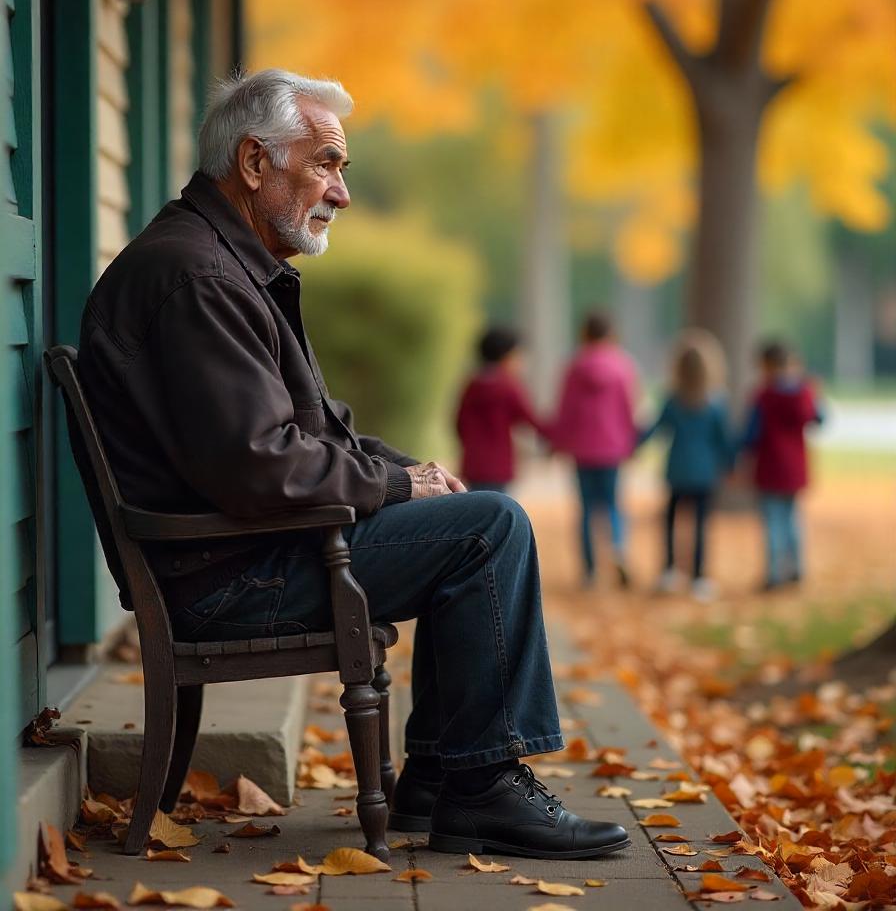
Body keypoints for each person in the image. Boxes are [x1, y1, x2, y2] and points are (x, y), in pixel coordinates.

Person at [77, 69, 628, 861]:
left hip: (241, 553)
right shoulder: (197, 276)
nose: (341, 191)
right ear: (256, 162)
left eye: (342, 170)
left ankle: (441, 780)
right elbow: (259, 468)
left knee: (468, 517)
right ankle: (480, 789)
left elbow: (314, 435)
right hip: (228, 579)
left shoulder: (225, 264)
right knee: (489, 529)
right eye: (327, 164)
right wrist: (399, 486)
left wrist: (414, 473)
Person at [639, 330, 731, 602]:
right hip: (704, 473)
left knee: (670, 521)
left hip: (677, 471)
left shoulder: (672, 400)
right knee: (700, 525)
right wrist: (731, 463)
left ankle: (669, 570)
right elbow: (723, 441)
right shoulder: (716, 403)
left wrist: (631, 442)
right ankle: (699, 576)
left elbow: (655, 430)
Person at [551, 312, 638, 586]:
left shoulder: (574, 367)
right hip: (612, 448)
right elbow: (628, 409)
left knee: (587, 509)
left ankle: (589, 571)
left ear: (585, 334)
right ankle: (618, 547)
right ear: (611, 334)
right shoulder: (623, 366)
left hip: (582, 448)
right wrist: (631, 441)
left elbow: (566, 409)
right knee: (612, 504)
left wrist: (558, 441)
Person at [742, 339, 824, 590]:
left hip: (770, 467)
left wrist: (738, 455)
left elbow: (752, 434)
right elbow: (819, 420)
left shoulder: (764, 396)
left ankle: (774, 573)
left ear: (766, 366)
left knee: (773, 522)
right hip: (796, 468)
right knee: (792, 519)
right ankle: (796, 567)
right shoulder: (805, 393)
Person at [455, 326, 548, 493]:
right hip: (499, 467)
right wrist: (558, 437)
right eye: (517, 356)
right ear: (506, 357)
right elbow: (531, 419)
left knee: (477, 510)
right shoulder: (509, 386)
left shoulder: (472, 386)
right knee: (500, 510)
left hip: (473, 465)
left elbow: (458, 423)